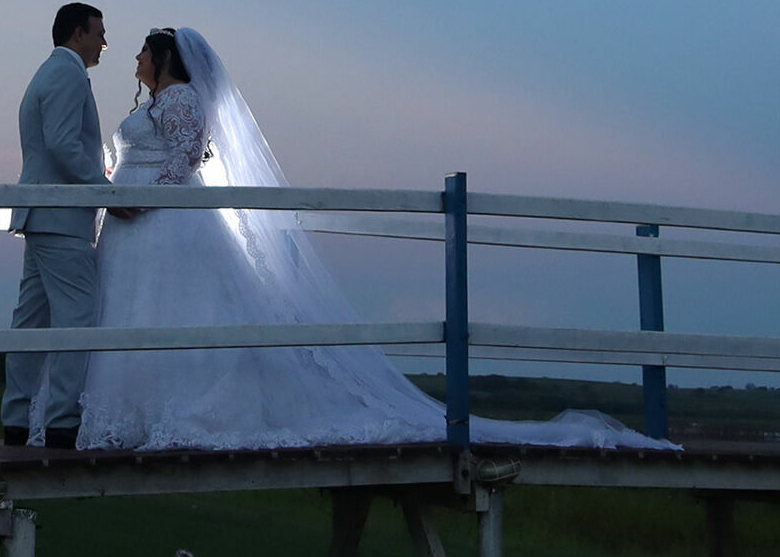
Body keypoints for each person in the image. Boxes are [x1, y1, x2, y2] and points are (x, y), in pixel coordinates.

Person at [76, 26, 674, 452]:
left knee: (169, 313)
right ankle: (131, 416)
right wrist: (111, 182)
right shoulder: (159, 101)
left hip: (161, 223)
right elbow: (140, 153)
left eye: (142, 53)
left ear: (165, 60)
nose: (134, 60)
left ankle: (175, 415)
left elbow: (183, 160)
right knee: (137, 315)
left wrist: (138, 199)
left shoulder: (180, 99)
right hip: (133, 226)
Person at [0, 2, 107, 450]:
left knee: (31, 321)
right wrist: (103, 190)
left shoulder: (44, 73)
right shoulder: (67, 74)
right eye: (99, 32)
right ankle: (63, 421)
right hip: (61, 218)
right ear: (78, 33)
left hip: (40, 212)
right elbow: (63, 145)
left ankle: (17, 418)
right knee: (76, 318)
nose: (104, 42)